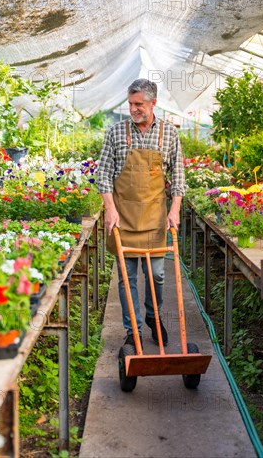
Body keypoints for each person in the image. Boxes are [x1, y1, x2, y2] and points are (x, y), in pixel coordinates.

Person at [97, 78, 186, 348]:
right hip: (123, 217)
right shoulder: (115, 132)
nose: (134, 109)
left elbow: (179, 176)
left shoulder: (169, 133)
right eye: (131, 103)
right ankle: (132, 330)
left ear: (153, 103)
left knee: (157, 275)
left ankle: (153, 316)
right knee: (127, 277)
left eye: (139, 104)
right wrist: (110, 210)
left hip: (155, 219)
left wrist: (175, 210)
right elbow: (102, 173)